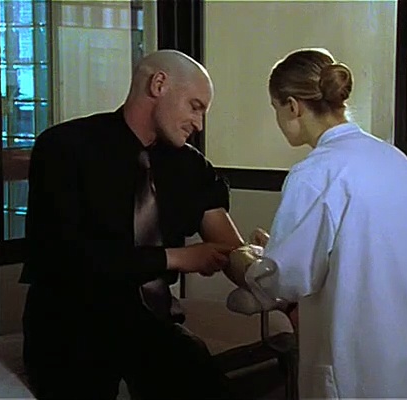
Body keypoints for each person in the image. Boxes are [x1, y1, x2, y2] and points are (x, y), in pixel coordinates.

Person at [230, 48, 407, 399]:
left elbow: (287, 279)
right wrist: (280, 247)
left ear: (292, 106)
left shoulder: (315, 172)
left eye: (275, 108)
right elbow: (361, 246)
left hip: (362, 369)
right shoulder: (394, 160)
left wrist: (250, 262)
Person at [20, 50, 247, 400]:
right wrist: (176, 258)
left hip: (149, 323)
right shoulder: (65, 147)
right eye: (195, 107)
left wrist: (268, 274)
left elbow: (228, 247)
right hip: (71, 323)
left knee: (201, 377)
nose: (199, 124)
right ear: (158, 84)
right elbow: (64, 258)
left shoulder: (189, 166)